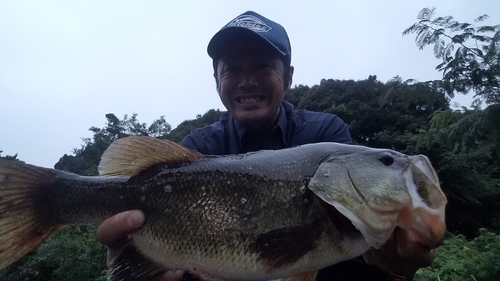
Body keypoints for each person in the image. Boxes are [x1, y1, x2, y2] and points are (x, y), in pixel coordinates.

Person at [96, 11, 437, 281]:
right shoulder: (198, 145)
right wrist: (140, 263)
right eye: (232, 69)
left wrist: (396, 261)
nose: (247, 80)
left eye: (262, 66)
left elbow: (344, 243)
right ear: (216, 80)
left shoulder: (326, 134)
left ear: (288, 76)